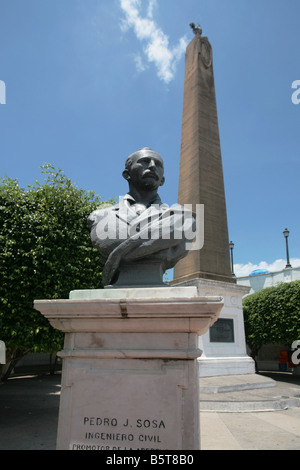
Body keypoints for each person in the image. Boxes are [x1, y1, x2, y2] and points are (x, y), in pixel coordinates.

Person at [88, 148, 195, 287]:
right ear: (127, 174)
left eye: (158, 165)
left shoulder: (183, 219)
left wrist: (122, 252)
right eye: (144, 162)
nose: (152, 166)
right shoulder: (100, 217)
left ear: (162, 180)